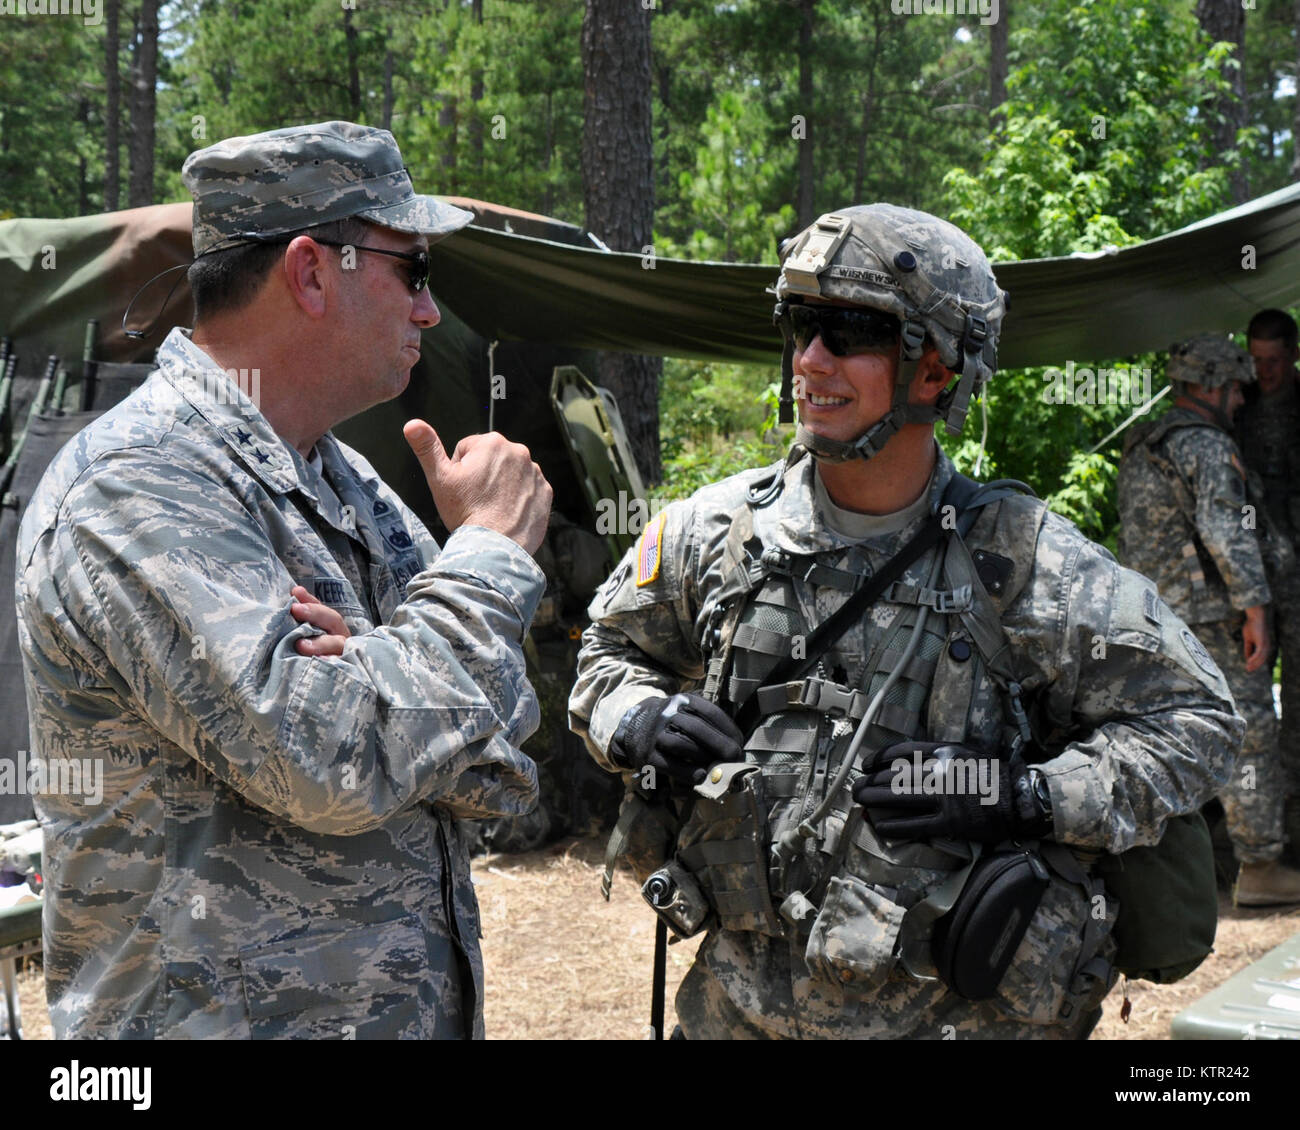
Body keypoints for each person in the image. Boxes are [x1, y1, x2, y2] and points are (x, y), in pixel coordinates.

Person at [569, 204, 1241, 1040]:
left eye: (851, 330)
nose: (810, 359)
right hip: (734, 1013)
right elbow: (606, 650)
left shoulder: (1027, 565)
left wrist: (1024, 794)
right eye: (801, 325)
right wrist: (636, 717)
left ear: (936, 369)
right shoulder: (716, 536)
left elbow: (1200, 722)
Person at [15, 120, 554, 1039]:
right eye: (413, 271)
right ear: (313, 272)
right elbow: (333, 761)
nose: (429, 309)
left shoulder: (341, 478)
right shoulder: (139, 483)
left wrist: (384, 673)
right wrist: (488, 560)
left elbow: (504, 767)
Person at [1119, 334, 1300, 905]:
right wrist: (1256, 611)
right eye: (1234, 387)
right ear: (1210, 386)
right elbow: (1228, 533)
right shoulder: (1204, 444)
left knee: (1172, 734)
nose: (1242, 399)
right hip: (1209, 619)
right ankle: (1262, 867)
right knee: (1248, 733)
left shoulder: (1144, 440)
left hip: (1152, 617)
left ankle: (1176, 877)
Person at [1238, 309, 1300, 868]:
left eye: (1274, 362)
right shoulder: (1242, 412)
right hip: (1254, 582)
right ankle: (1260, 838)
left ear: (1294, 355)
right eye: (1257, 362)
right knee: (1251, 708)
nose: (1265, 373)